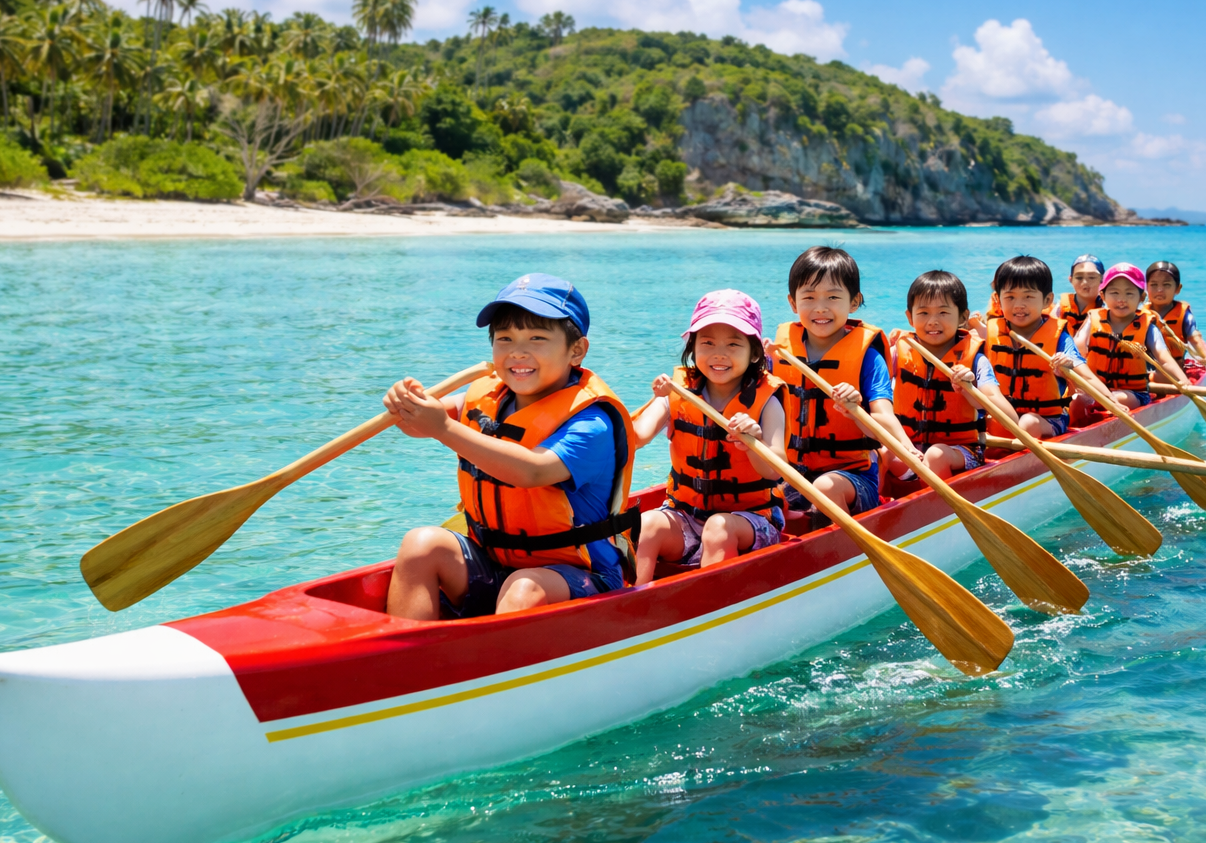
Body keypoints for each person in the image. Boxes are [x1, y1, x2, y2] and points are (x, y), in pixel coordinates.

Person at [381, 274, 637, 621]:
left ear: (576, 350)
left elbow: (532, 471)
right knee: (420, 544)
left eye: (537, 338)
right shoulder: (489, 395)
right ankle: (408, 662)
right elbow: (418, 425)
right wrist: (407, 405)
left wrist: (441, 427)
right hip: (498, 564)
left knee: (524, 586)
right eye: (505, 338)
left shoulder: (591, 423)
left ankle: (493, 668)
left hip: (581, 577)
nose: (518, 351)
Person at [631, 290, 787, 584]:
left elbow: (776, 470)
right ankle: (635, 604)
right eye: (707, 343)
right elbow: (637, 437)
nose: (719, 353)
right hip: (686, 515)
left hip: (752, 521)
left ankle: (709, 602)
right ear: (692, 348)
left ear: (754, 353)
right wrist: (653, 399)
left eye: (733, 344)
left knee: (718, 527)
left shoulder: (767, 402)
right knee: (646, 523)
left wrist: (754, 442)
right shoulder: (678, 392)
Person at [770, 245, 915, 519]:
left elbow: (882, 420)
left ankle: (826, 548)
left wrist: (858, 411)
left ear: (853, 302)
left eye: (833, 297)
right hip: (793, 476)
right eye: (809, 298)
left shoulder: (868, 358)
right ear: (793, 303)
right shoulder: (779, 351)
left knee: (825, 487)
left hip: (852, 479)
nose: (820, 308)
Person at [891, 270, 1021, 478]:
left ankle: (935, 508)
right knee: (881, 450)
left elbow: (1011, 419)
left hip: (961, 453)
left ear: (963, 316)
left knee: (936, 455)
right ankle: (877, 504)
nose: (932, 321)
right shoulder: (898, 352)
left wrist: (970, 390)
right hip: (911, 448)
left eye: (943, 312)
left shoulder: (976, 360)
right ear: (910, 317)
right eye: (923, 313)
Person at [984, 255, 1122, 438]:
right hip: (1006, 418)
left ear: (1048, 300)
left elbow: (1086, 376)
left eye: (1028, 296)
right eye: (1010, 297)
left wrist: (1112, 402)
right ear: (997, 299)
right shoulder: (992, 332)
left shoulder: (1059, 338)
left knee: (1028, 423)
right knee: (989, 422)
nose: (1019, 305)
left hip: (1047, 420)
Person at [1073, 262, 1187, 416]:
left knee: (1116, 398)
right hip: (1097, 389)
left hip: (1133, 393)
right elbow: (1077, 349)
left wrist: (1183, 381)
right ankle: (1075, 431)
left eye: (1129, 293)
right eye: (1114, 293)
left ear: (1142, 297)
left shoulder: (1148, 327)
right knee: (1076, 400)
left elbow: (1164, 358)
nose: (1121, 299)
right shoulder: (1093, 319)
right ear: (1102, 295)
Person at [1144, 260, 1206, 374]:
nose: (1160, 290)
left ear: (1178, 288)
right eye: (1154, 285)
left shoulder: (1184, 315)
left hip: (1175, 370)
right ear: (1146, 288)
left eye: (1166, 285)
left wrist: (1205, 356)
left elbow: (1194, 338)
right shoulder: (1139, 314)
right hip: (1145, 369)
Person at [1059, 254, 1105, 337]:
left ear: (1102, 279)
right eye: (1079, 277)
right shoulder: (1059, 308)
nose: (1085, 283)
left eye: (1091, 277)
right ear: (1071, 279)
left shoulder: (1108, 310)